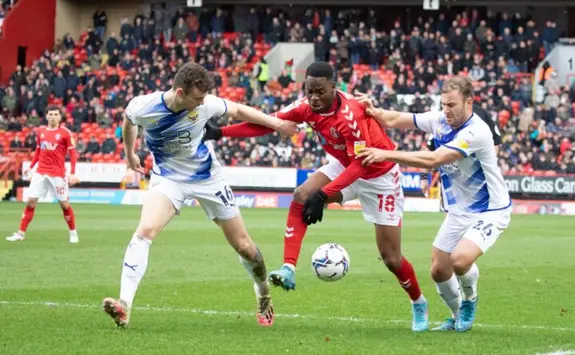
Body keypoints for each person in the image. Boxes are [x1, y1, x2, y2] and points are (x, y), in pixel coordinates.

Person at [204, 61, 429, 332]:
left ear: (334, 87)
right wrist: (221, 133)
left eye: (320, 91)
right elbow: (271, 124)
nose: (314, 98)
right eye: (309, 91)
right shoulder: (305, 107)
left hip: (379, 175)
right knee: (301, 195)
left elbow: (362, 164)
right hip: (346, 164)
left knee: (391, 258)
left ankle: (419, 302)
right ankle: (288, 267)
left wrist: (324, 195)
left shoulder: (351, 116)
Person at [101, 62, 297, 328]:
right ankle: (124, 305)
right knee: (145, 230)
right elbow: (128, 121)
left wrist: (277, 124)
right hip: (169, 178)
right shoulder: (144, 106)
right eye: (198, 97)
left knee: (245, 247)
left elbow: (238, 110)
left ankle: (263, 293)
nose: (203, 102)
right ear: (180, 93)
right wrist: (129, 152)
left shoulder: (205, 104)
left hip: (208, 178)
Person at [355, 76, 512, 332]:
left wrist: (386, 154)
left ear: (469, 102)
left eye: (452, 105)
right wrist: (374, 111)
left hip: (490, 210)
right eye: (443, 104)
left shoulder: (477, 132)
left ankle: (470, 300)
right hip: (459, 211)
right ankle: (456, 314)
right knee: (439, 270)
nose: (446, 110)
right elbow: (397, 119)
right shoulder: (440, 119)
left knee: (459, 261)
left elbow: (434, 160)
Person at [6, 106, 80, 243]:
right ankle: (21, 233)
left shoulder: (65, 133)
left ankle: (73, 232)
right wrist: (31, 167)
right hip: (41, 172)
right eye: (50, 114)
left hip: (58, 174)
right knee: (31, 201)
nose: (52, 116)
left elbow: (73, 153)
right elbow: (39, 151)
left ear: (59, 117)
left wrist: (73, 173)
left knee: (64, 204)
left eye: (55, 114)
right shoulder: (40, 131)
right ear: (46, 116)